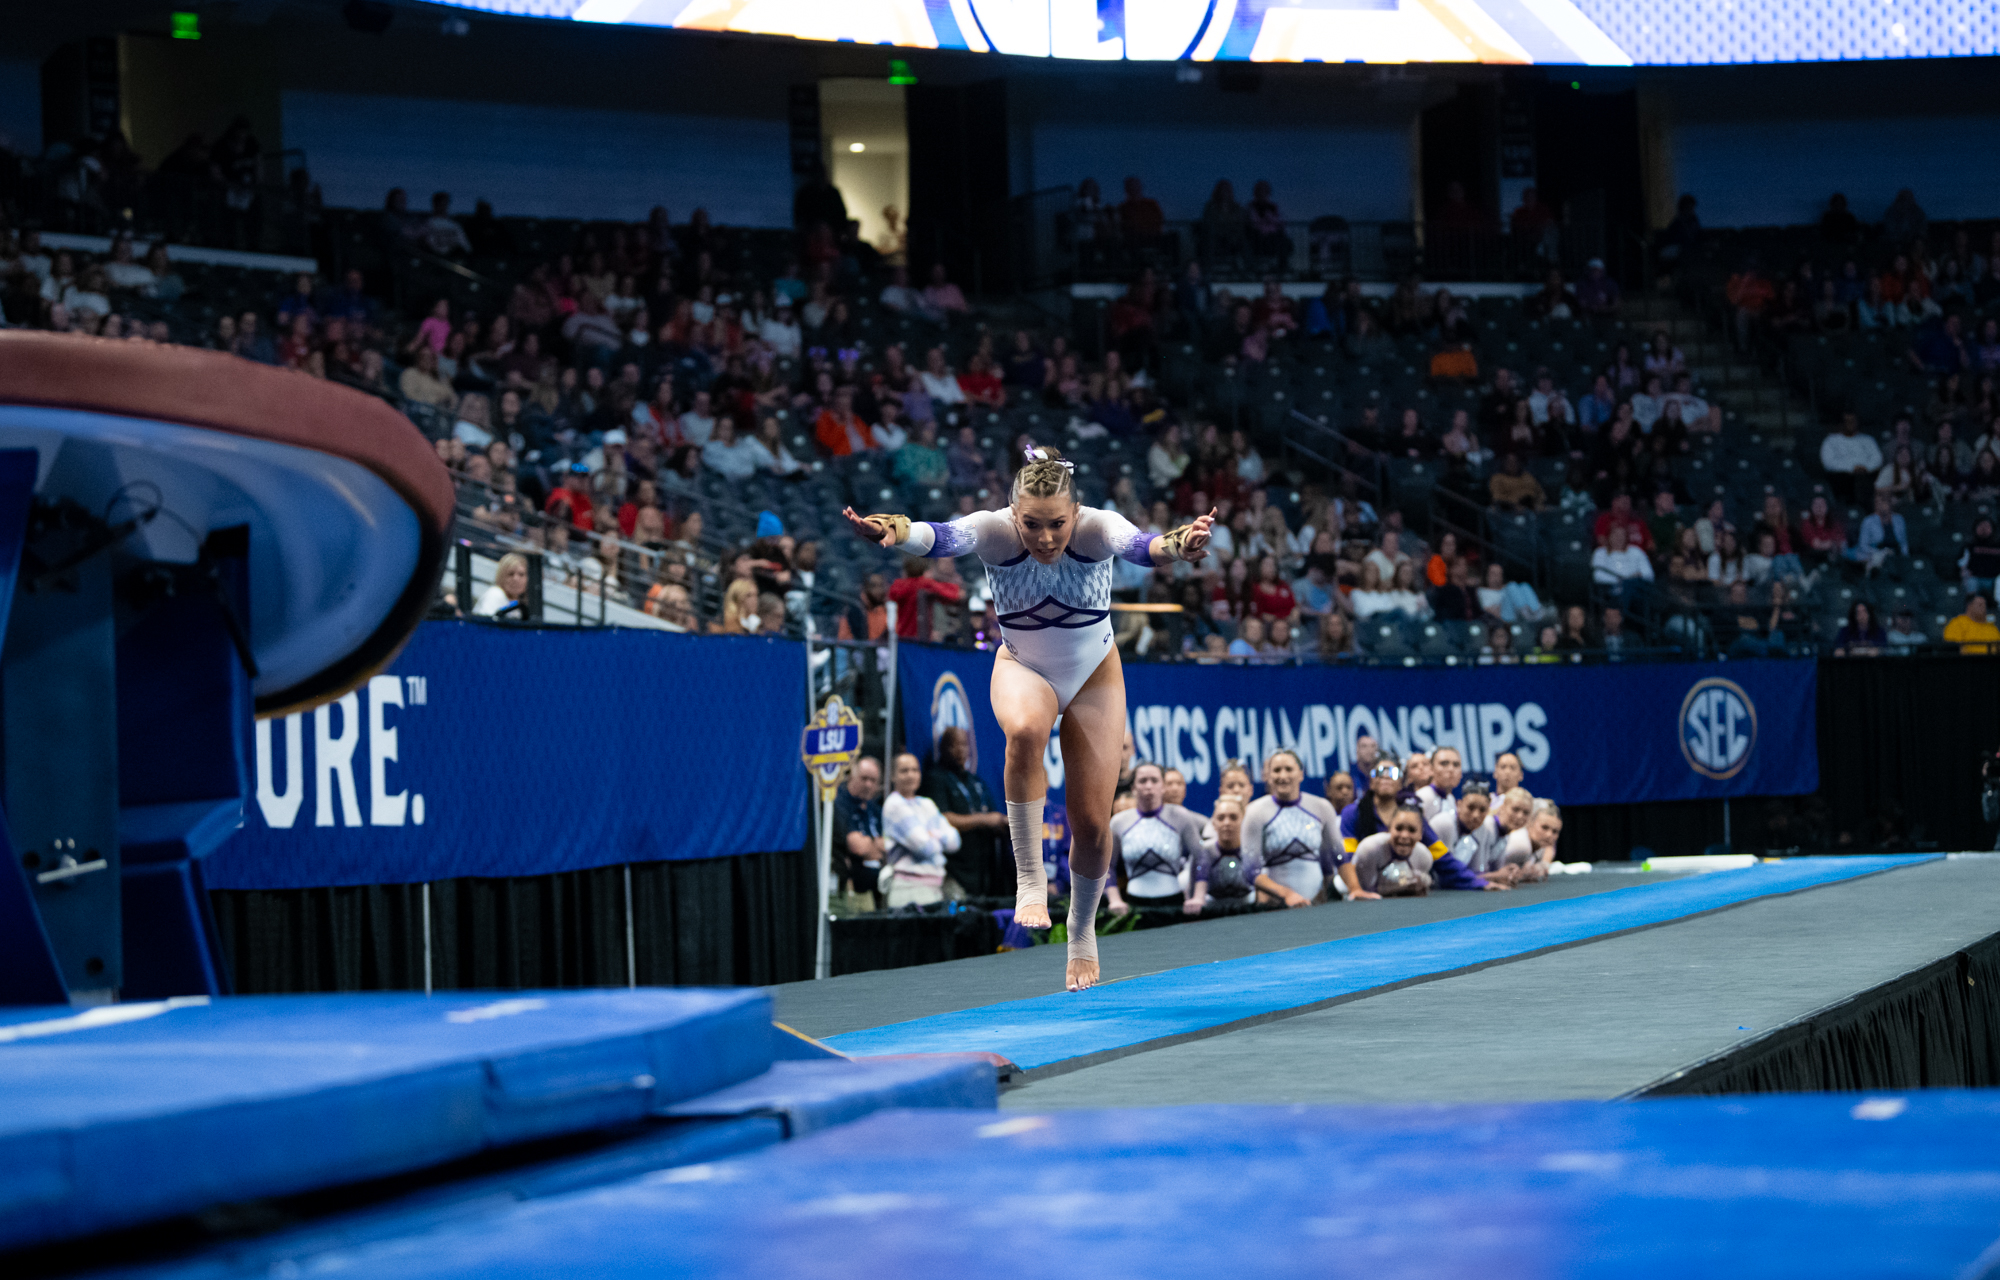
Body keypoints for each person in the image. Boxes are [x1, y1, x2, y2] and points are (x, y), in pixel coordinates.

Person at [846, 448, 1215, 991]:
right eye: (1032, 525)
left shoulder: (1096, 530)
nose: (1045, 539)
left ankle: (1082, 932)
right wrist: (895, 531)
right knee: (1023, 731)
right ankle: (1030, 877)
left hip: (1096, 672)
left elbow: (1142, 547)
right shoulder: (995, 532)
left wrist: (1181, 544)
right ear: (1013, 514)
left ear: (1076, 511)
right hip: (1023, 665)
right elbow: (943, 536)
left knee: (1091, 824)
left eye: (1057, 524)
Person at [1242, 749, 1343, 906]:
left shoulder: (1321, 807)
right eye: (1276, 770)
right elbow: (1250, 871)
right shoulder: (1255, 812)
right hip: (1276, 906)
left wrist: (1356, 889)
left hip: (1317, 903)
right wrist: (1286, 895)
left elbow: (1339, 858)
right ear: (1268, 776)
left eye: (1288, 769)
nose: (1283, 776)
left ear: (1300, 774)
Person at [1104, 763, 1207, 917]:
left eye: (1154, 780)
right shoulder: (1119, 822)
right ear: (1133, 788)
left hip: (1174, 905)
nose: (1148, 786)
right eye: (1143, 781)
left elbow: (1202, 857)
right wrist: (1115, 899)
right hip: (1135, 906)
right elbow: (1106, 865)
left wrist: (1198, 897)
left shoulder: (1180, 817)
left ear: (1163, 786)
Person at [880, 752, 957, 908]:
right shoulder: (894, 804)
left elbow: (955, 841)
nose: (911, 775)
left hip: (934, 889)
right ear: (893, 776)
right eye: (904, 771)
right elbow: (925, 847)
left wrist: (932, 836)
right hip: (908, 890)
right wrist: (938, 837)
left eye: (915, 770)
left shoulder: (926, 803)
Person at [834, 757, 887, 906]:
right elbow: (858, 847)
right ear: (852, 776)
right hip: (851, 887)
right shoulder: (840, 803)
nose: (868, 784)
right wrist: (874, 844)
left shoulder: (875, 808)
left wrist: (871, 845)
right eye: (864, 779)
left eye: (873, 780)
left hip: (877, 888)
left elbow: (886, 845)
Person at [1350, 805, 1435, 897]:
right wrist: (1403, 886)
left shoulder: (1424, 857)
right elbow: (1366, 890)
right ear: (1389, 829)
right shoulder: (1369, 849)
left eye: (1412, 830)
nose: (1404, 835)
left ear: (1420, 834)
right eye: (1399, 828)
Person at [1820, 412, 1884, 506]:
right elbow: (1828, 462)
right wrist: (1852, 468)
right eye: (1847, 421)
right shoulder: (1831, 440)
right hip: (1842, 478)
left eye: (1852, 421)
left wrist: (1865, 468)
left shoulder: (1868, 440)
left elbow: (1878, 459)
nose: (1850, 424)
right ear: (1842, 423)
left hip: (1866, 476)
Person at [473, 552, 531, 619]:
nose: (516, 579)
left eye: (521, 574)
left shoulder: (521, 605)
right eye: (510, 574)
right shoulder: (495, 594)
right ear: (501, 576)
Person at [1415, 746, 1462, 821]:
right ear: (1431, 768)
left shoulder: (1450, 799)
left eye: (1456, 764)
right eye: (1444, 763)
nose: (1451, 769)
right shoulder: (1422, 797)